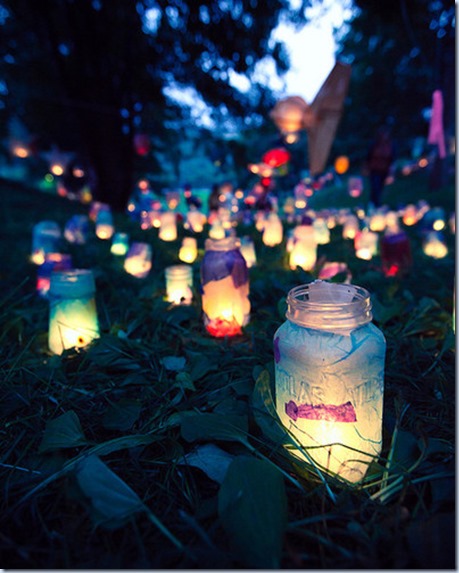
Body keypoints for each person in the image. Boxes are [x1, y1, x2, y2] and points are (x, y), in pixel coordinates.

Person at [365, 126, 395, 207]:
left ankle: (376, 203)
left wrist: (391, 172)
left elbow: (392, 159)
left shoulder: (390, 145)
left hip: (384, 170)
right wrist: (367, 167)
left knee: (380, 187)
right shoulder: (374, 145)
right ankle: (373, 203)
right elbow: (368, 157)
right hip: (374, 169)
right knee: (375, 186)